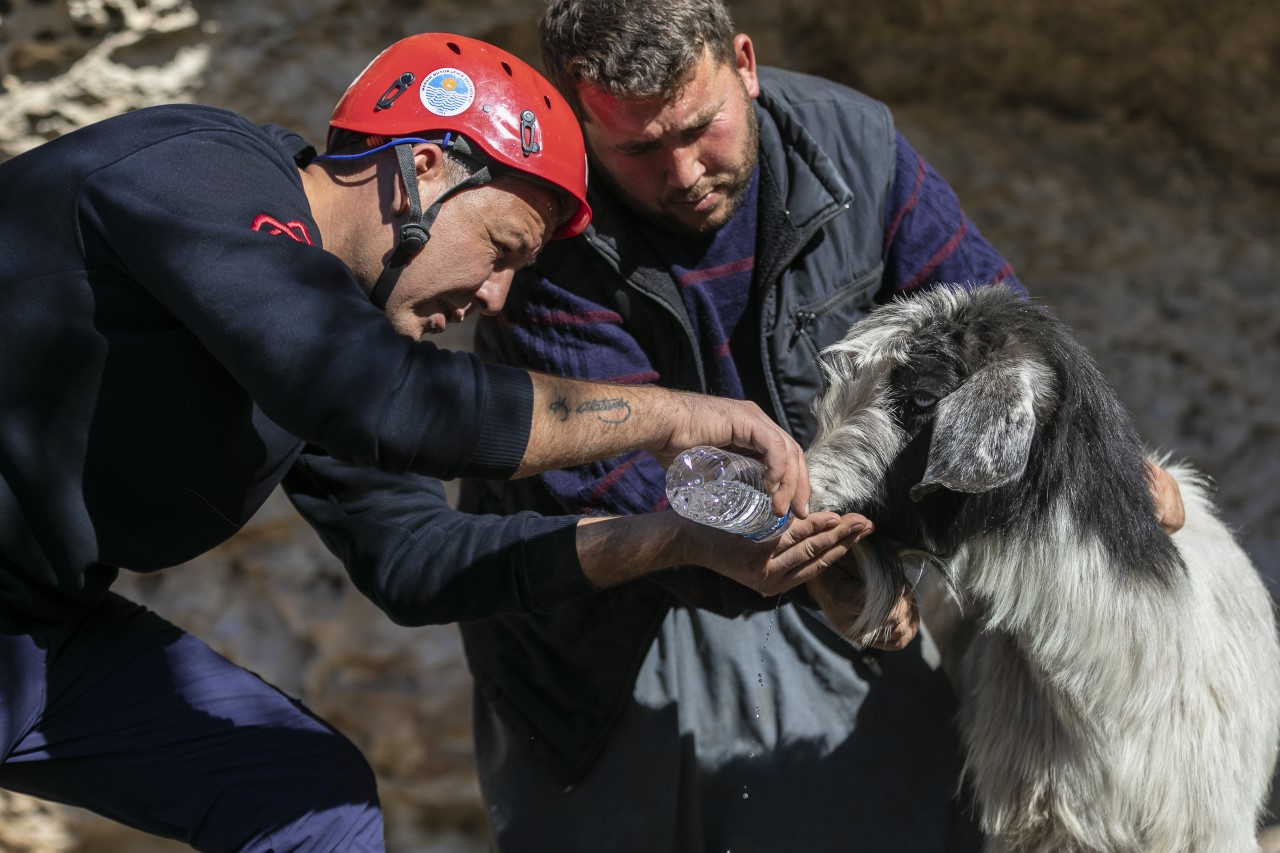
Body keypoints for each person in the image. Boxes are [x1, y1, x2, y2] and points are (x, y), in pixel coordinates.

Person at [0, 32, 862, 851]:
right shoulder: (200, 173)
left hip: (34, 633)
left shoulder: (326, 347)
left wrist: (673, 537)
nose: (493, 296)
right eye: (499, 248)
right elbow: (380, 398)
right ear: (420, 169)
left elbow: (417, 557)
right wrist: (675, 416)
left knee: (302, 795)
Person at [458, 2, 1186, 851]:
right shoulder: (546, 231)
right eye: (639, 149)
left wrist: (1097, 458)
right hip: (616, 620)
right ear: (583, 119)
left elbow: (996, 328)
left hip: (830, 555)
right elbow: (639, 486)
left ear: (745, 62)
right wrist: (840, 576)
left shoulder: (856, 151)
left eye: (701, 126)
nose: (686, 170)